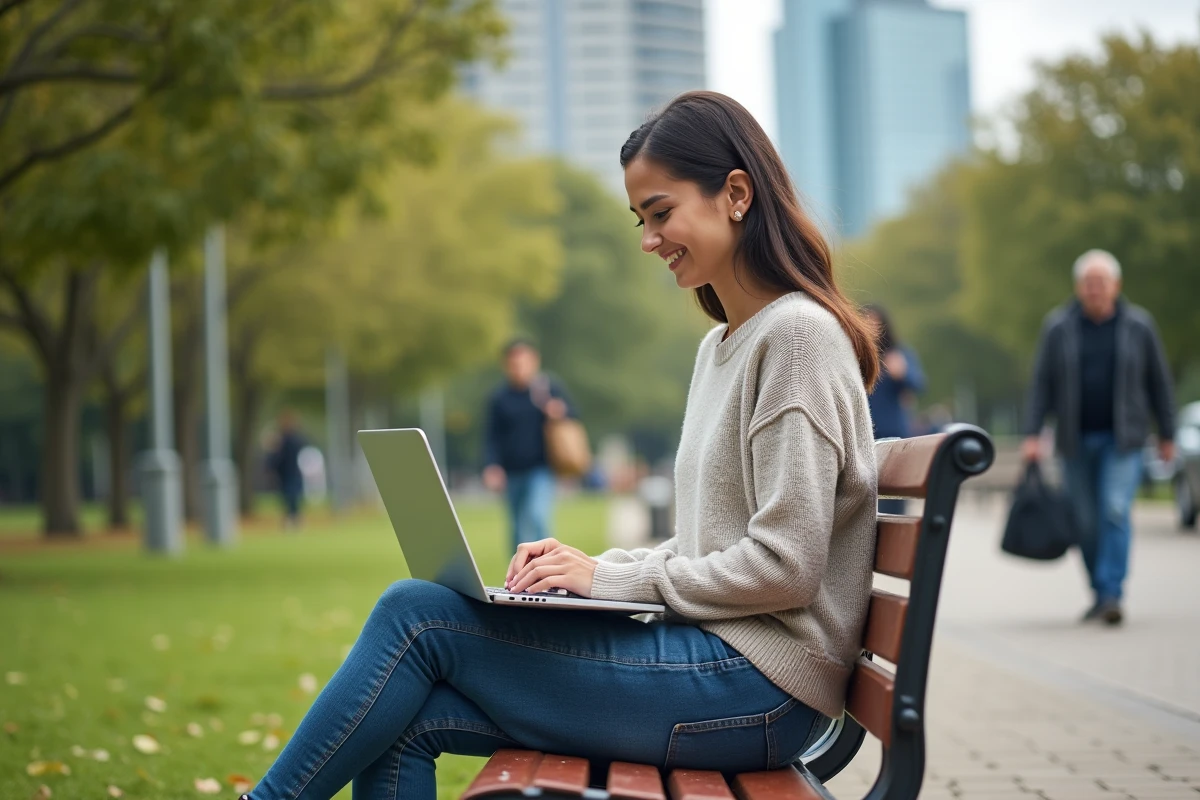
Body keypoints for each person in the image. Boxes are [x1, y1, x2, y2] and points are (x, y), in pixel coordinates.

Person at [242, 91, 880, 800]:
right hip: (722, 668)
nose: (647, 239)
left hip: (759, 690)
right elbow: (709, 543)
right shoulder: (723, 345)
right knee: (407, 719)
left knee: (416, 613)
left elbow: (785, 567)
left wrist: (607, 584)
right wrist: (593, 569)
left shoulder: (797, 339)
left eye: (662, 213)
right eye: (641, 219)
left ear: (735, 194)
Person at [1021, 249, 1175, 626]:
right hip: (1075, 440)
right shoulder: (1058, 327)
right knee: (1085, 522)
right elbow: (1042, 383)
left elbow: (1159, 381)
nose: (1095, 289)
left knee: (1114, 509)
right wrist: (1032, 433)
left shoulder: (1139, 325)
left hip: (1124, 440)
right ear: (1079, 287)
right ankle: (1099, 590)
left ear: (1115, 285)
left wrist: (1167, 433)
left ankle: (1112, 593)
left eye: (1101, 282)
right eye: (1088, 283)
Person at [481, 339, 576, 551]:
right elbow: (492, 436)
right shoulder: (500, 398)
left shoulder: (549, 389)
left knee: (537, 515)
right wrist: (491, 465)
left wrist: (559, 411)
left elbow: (574, 415)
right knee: (515, 526)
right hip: (512, 470)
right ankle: (518, 575)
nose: (519, 369)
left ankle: (547, 566)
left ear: (534, 361)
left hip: (541, 468)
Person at [862, 304, 926, 514]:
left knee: (895, 503)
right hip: (864, 435)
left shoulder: (899, 354)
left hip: (894, 434)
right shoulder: (857, 355)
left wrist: (902, 373)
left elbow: (918, 384)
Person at [267, 410, 307, 530]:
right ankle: (292, 521)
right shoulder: (286, 440)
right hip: (285, 474)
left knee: (292, 499)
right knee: (289, 499)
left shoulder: (289, 440)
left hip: (292, 474)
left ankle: (293, 522)